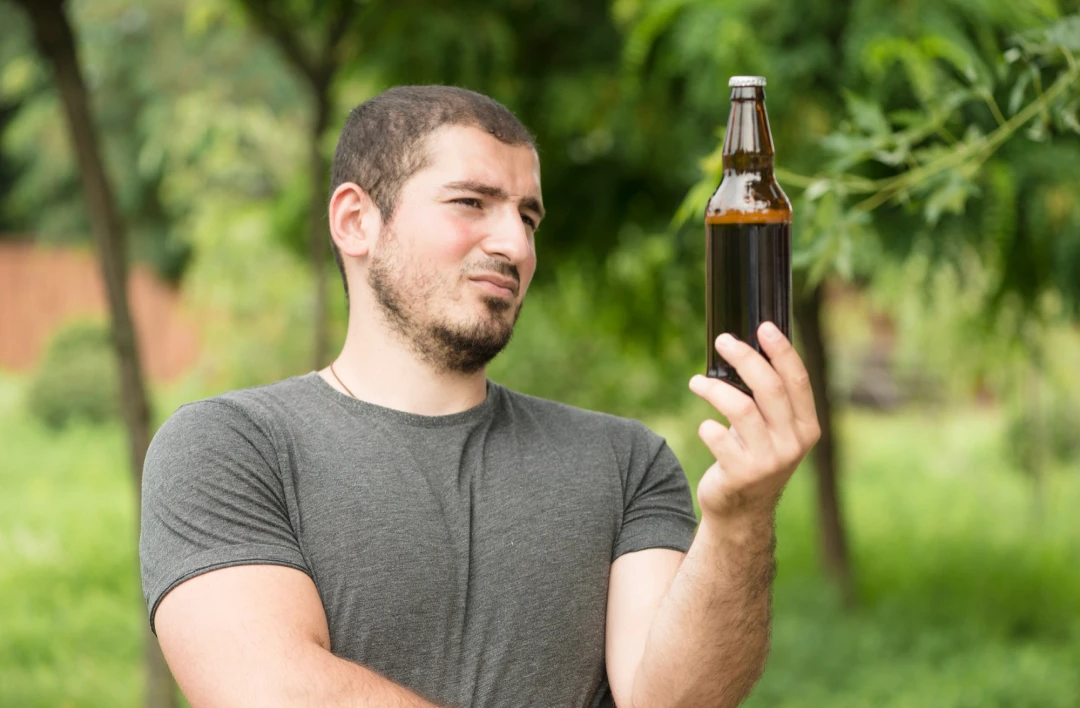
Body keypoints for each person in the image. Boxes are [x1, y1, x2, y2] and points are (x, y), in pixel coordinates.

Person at [139, 85, 820, 708]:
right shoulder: (230, 447)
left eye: (529, 217)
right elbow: (275, 691)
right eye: (472, 203)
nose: (515, 243)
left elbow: (673, 701)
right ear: (355, 221)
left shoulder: (625, 461)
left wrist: (740, 518)